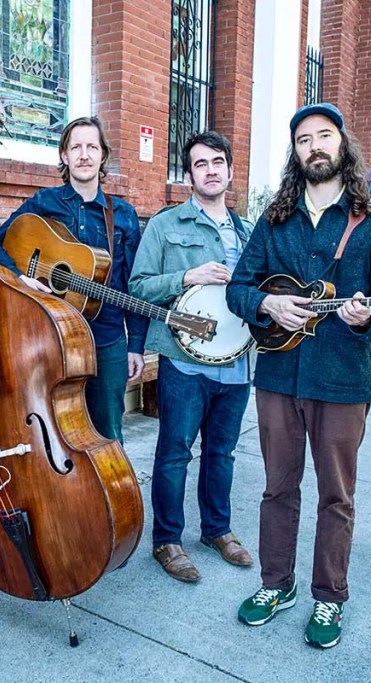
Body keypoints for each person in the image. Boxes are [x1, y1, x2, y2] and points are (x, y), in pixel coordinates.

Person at [226, 103, 371, 649]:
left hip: (342, 380)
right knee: (278, 488)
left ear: (342, 144)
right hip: (279, 377)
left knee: (336, 495)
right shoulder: (275, 218)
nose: (314, 147)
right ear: (295, 152)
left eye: (323, 136)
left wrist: (369, 318)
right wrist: (267, 306)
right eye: (304, 140)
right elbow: (239, 287)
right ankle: (275, 584)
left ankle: (328, 597)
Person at [129, 131, 254, 583]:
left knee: (222, 452)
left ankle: (216, 530)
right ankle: (167, 540)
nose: (211, 170)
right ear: (189, 175)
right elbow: (138, 286)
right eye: (201, 164)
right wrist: (188, 276)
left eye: (218, 161)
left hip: (237, 364)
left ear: (231, 170)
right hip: (184, 361)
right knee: (175, 452)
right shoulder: (166, 225)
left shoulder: (248, 232)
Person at [0, 116, 147, 443]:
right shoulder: (44, 203)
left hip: (107, 341)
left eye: (92, 147)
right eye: (76, 147)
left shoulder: (124, 215)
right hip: (51, 339)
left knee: (108, 435)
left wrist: (136, 346)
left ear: (103, 155)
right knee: (54, 431)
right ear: (64, 155)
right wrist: (21, 278)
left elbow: (135, 285)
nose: (84, 154)